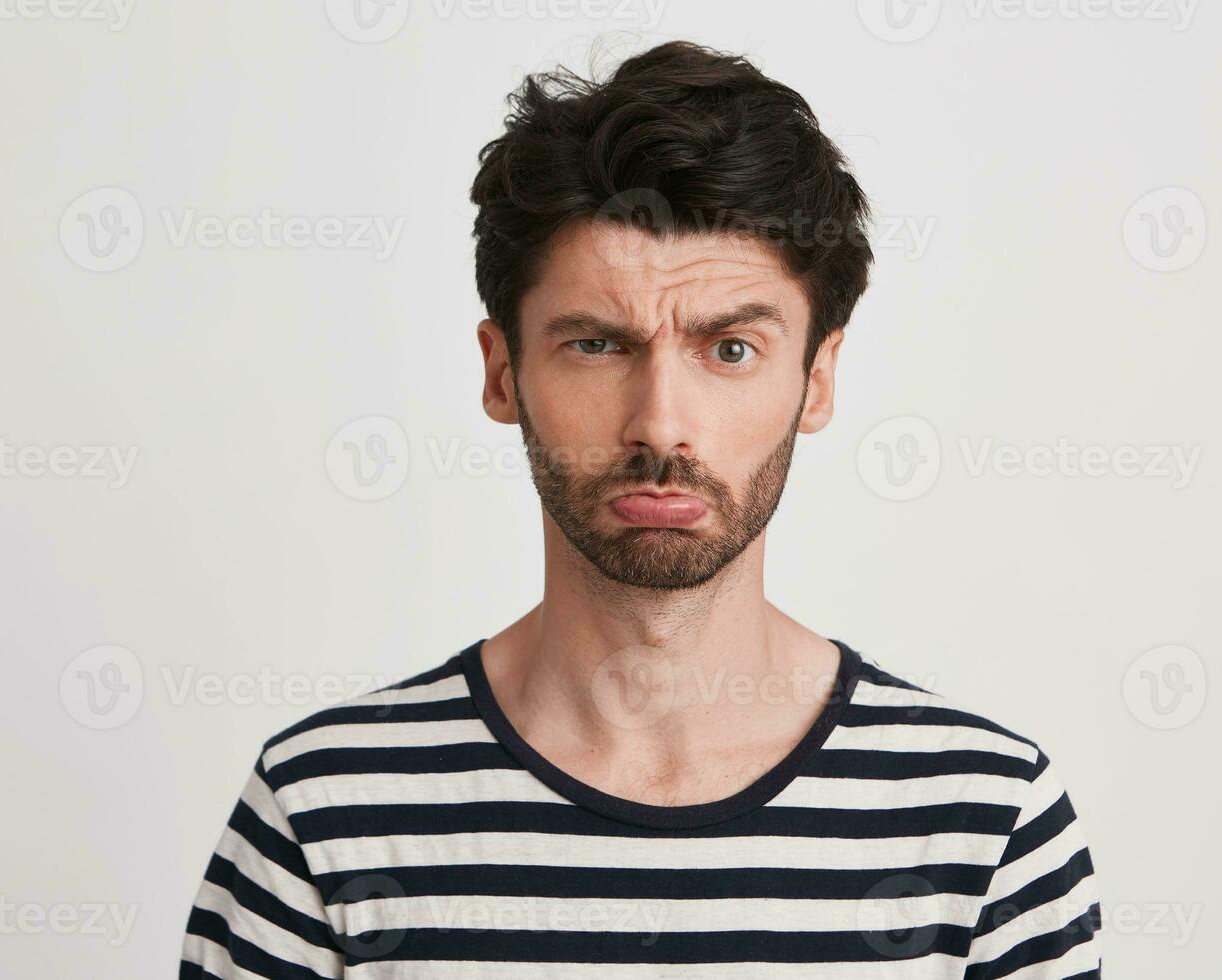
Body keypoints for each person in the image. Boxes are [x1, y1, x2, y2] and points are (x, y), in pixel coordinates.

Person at [180, 39, 1102, 978]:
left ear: (816, 381)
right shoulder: (323, 813)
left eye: (730, 350)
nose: (661, 426)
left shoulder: (984, 826)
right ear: (503, 373)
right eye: (596, 345)